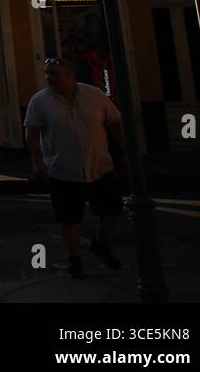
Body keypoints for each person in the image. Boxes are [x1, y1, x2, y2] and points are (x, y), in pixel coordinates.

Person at [25, 57, 126, 279]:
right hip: (63, 169)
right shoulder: (40, 100)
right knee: (70, 218)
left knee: (111, 209)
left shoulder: (95, 95)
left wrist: (123, 150)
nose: (48, 78)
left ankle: (101, 243)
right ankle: (74, 258)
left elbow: (115, 121)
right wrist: (38, 162)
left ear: (70, 75)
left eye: (54, 74)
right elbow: (31, 132)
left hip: (98, 165)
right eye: (47, 73)